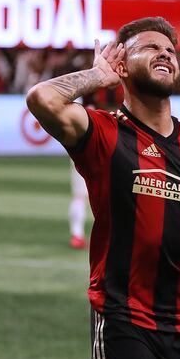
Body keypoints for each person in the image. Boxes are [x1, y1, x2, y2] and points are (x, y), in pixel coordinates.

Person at [27, 17, 180, 359]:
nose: (165, 54)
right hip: (126, 321)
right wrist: (96, 76)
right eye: (151, 47)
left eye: (170, 50)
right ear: (120, 65)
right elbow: (41, 98)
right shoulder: (103, 132)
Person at [69, 88, 124, 250]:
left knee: (81, 195)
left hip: (87, 147)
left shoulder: (87, 111)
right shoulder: (118, 115)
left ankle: (77, 235)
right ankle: (79, 235)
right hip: (101, 147)